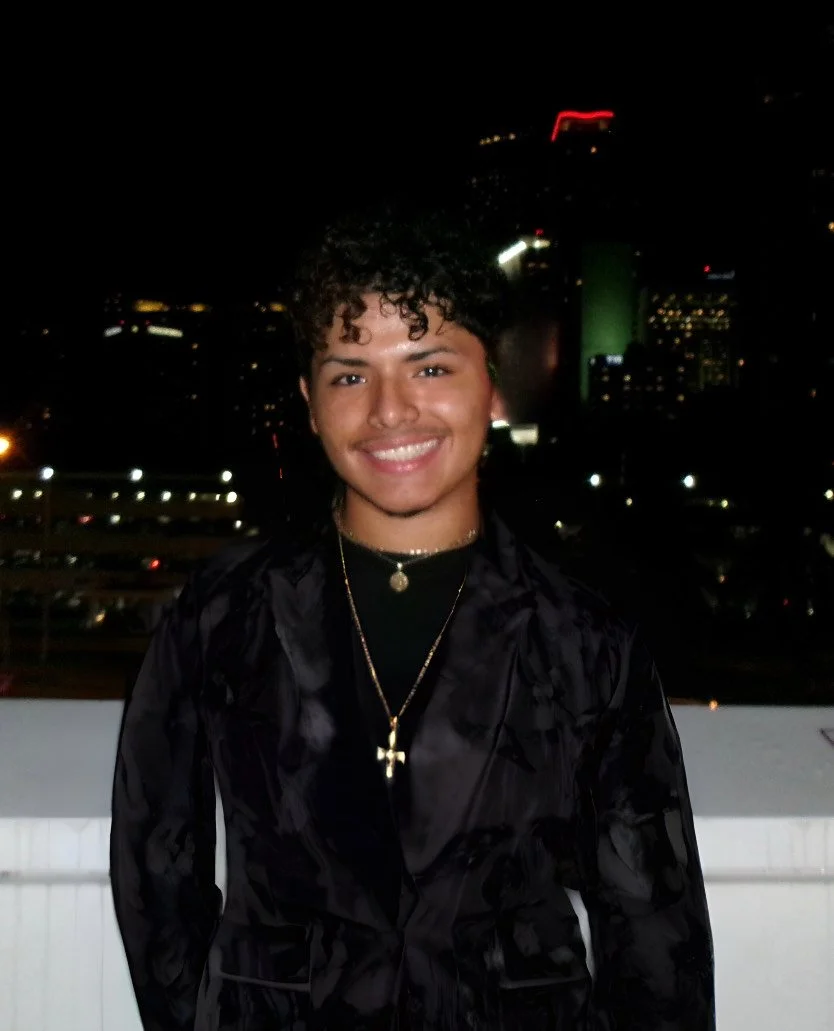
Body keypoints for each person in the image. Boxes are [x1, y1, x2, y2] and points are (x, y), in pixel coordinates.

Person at [110, 207, 715, 1030]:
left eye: (430, 367)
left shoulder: (586, 638)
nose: (392, 411)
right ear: (310, 401)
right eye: (351, 375)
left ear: (491, 385)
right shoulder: (221, 614)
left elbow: (652, 924)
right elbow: (157, 866)